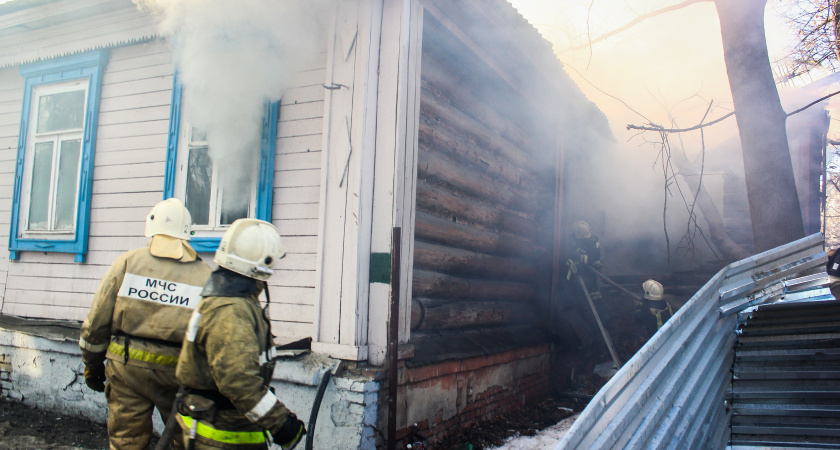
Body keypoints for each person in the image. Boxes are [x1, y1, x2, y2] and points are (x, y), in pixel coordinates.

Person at [79, 198, 212, 449]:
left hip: (126, 368)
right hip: (177, 375)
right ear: (186, 232)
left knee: (125, 441)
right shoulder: (205, 275)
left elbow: (97, 322)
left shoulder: (127, 263)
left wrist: (92, 365)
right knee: (185, 440)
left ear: (151, 228)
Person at [174, 218, 306, 449]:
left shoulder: (232, 300)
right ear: (260, 263)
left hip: (229, 425)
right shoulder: (230, 310)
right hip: (220, 434)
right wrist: (281, 424)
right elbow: (238, 380)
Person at [561, 220, 606, 352]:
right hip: (577, 282)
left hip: (587, 280)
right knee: (578, 307)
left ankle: (595, 341)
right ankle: (591, 340)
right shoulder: (578, 238)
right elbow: (570, 249)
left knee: (591, 308)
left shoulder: (593, 245)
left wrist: (575, 258)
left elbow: (587, 260)